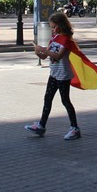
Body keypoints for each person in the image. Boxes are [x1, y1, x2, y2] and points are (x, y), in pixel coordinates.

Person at [25, 12, 82, 141]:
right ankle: (41, 125)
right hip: (54, 73)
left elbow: (58, 56)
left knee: (65, 100)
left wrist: (44, 50)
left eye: (54, 26)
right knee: (47, 98)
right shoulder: (54, 38)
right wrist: (38, 52)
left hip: (63, 75)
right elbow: (46, 56)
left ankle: (75, 128)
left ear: (61, 25)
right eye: (51, 27)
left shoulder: (66, 39)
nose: (52, 29)